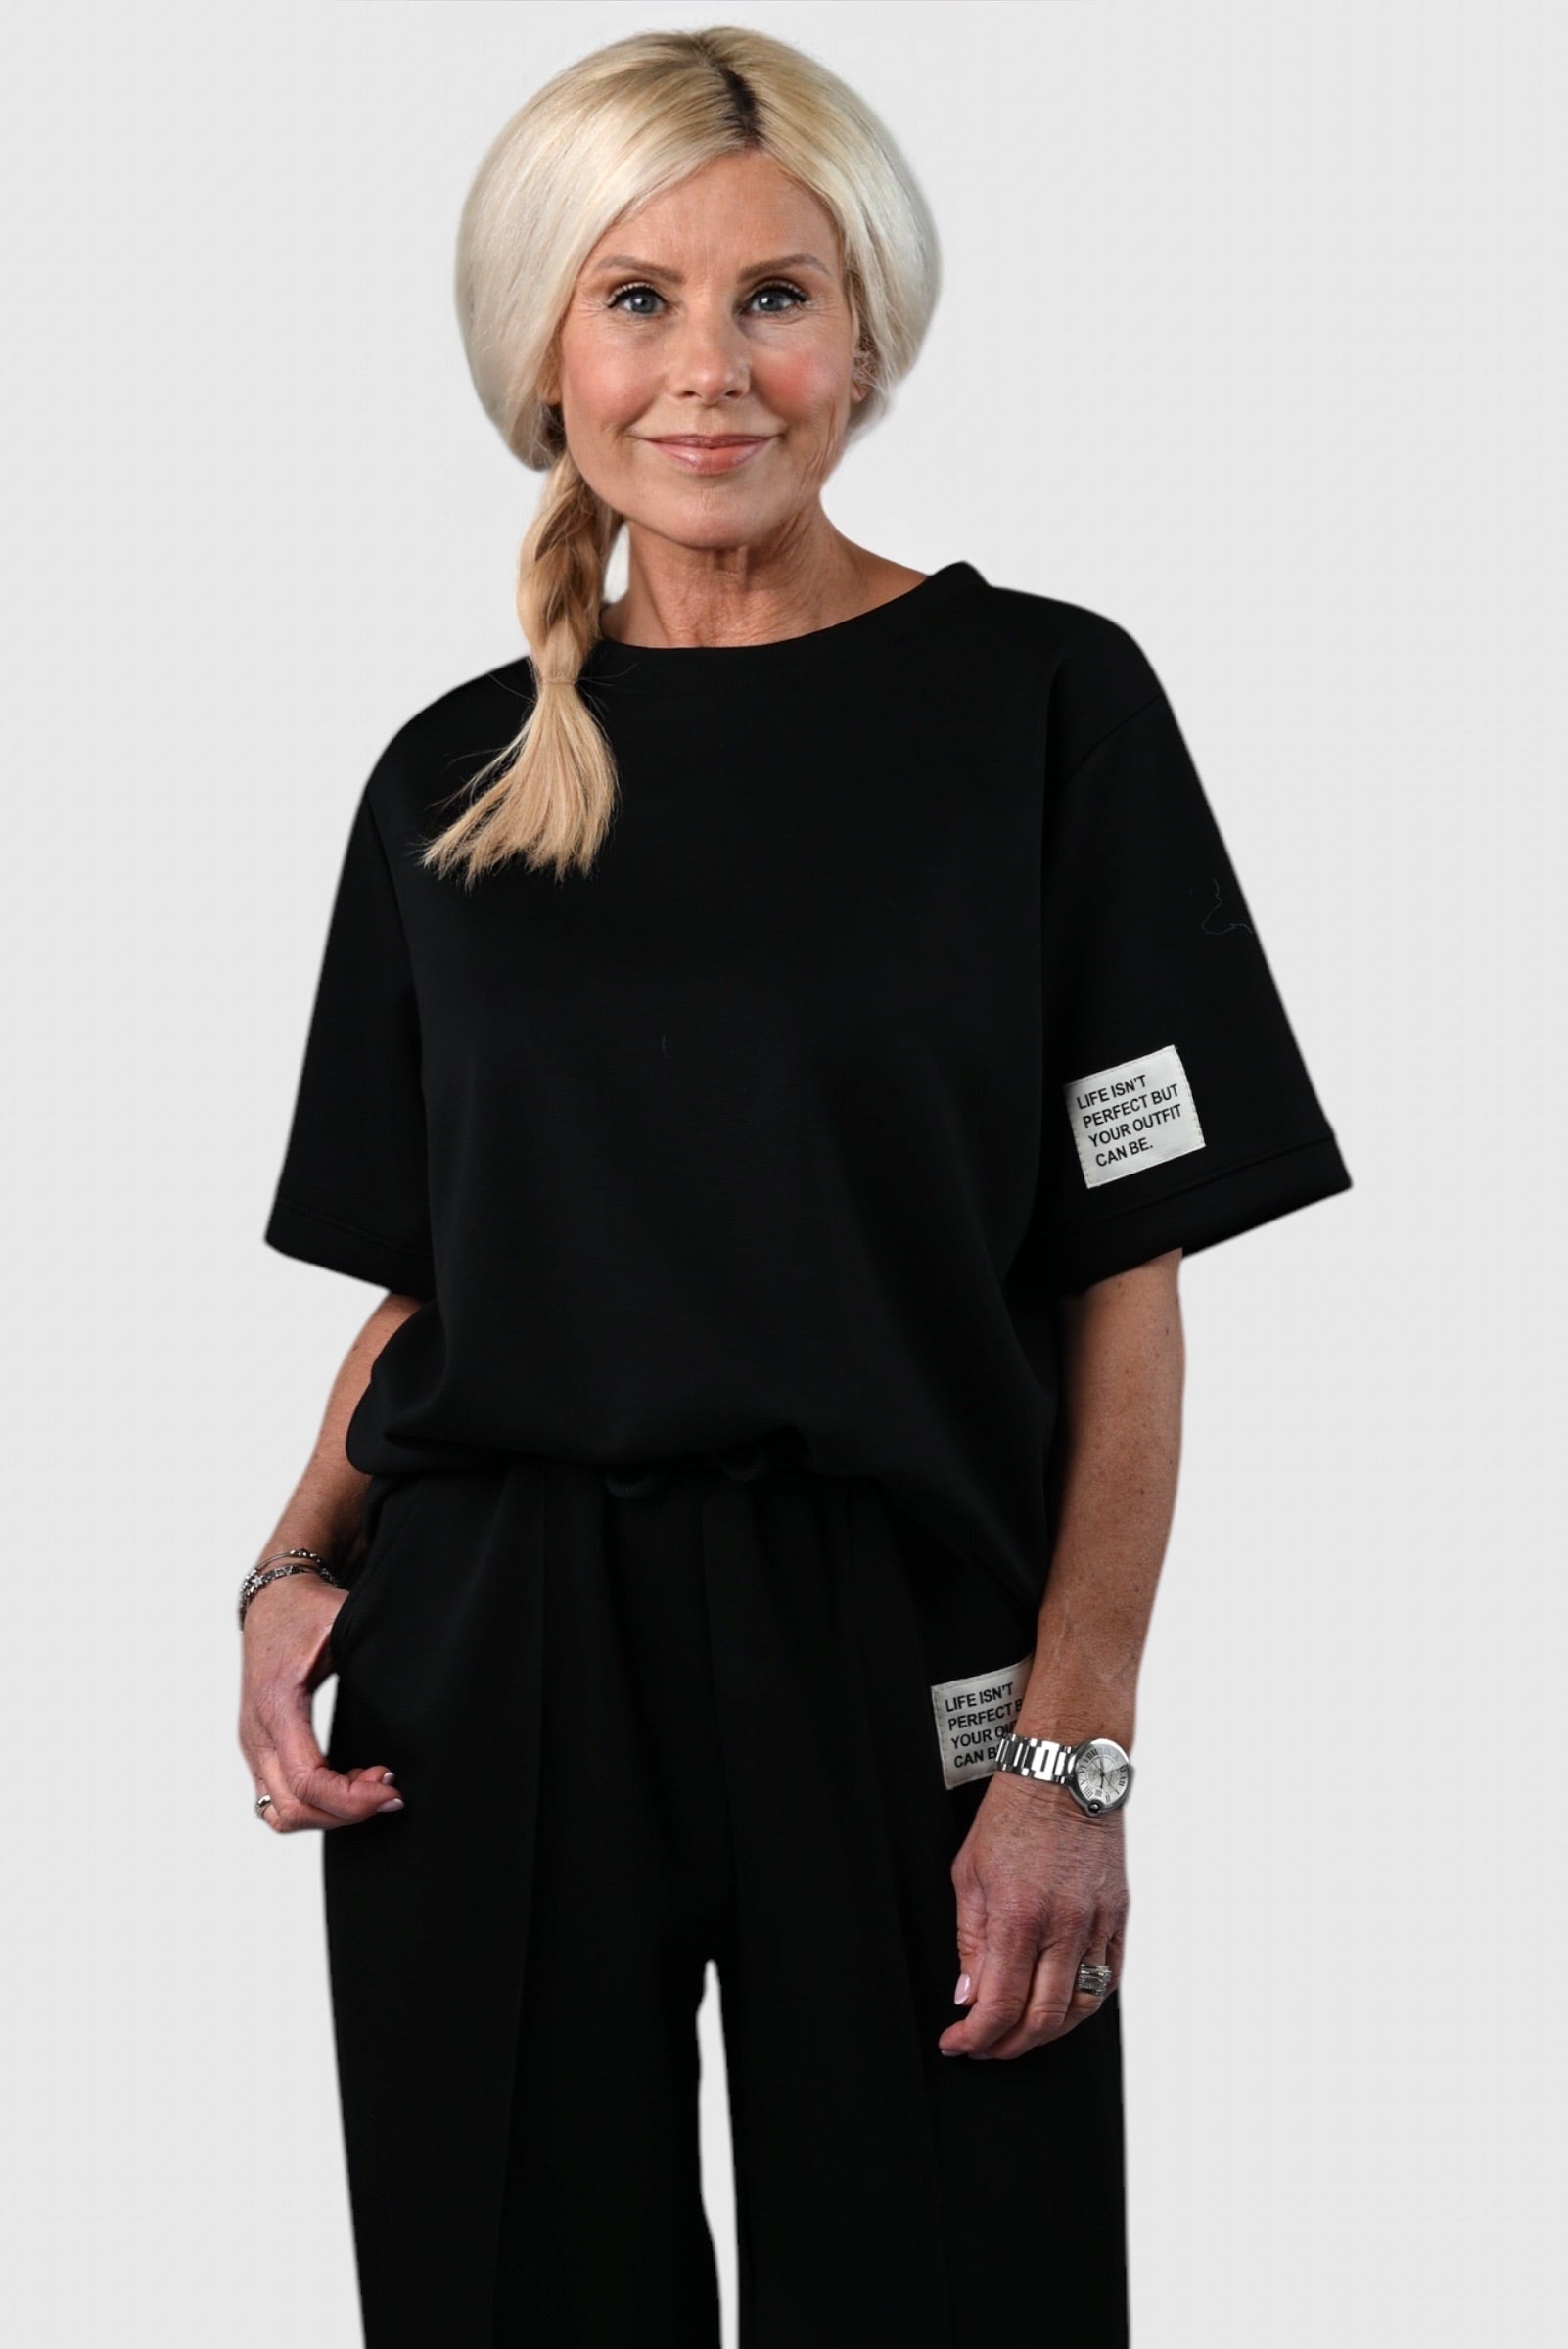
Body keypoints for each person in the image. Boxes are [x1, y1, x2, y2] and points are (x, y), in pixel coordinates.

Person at [239, 25, 1351, 2348]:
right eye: (636, 298)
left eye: (777, 296)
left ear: (867, 329)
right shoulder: (451, 781)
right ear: (545, 347)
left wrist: (1072, 1754)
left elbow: (1121, 1279)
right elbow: (437, 1284)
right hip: (495, 1649)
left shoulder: (1042, 709)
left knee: (961, 2292)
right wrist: (286, 1563)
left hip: (905, 1628)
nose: (711, 372)